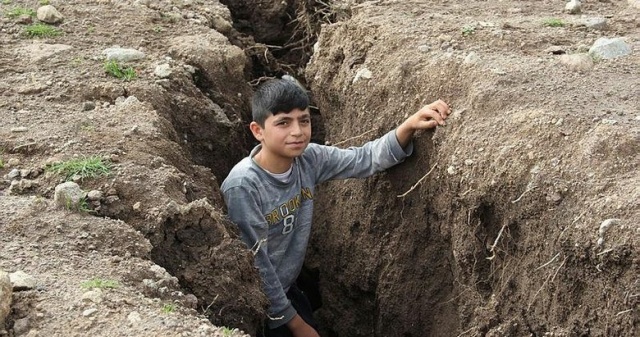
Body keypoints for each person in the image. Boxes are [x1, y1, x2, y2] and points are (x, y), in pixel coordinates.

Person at [221, 77, 450, 337]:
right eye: (283, 122)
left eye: (304, 120)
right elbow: (256, 264)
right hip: (259, 301)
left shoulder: (308, 159)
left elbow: (363, 158)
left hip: (288, 286)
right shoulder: (243, 187)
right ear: (257, 130)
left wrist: (408, 126)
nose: (297, 131)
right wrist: (297, 326)